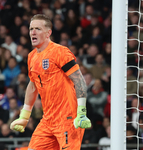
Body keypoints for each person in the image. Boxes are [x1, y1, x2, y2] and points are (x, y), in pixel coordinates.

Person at [10, 14, 91, 150]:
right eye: (31, 29)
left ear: (48, 33)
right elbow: (33, 85)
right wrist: (24, 116)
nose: (33, 32)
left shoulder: (60, 52)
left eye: (38, 29)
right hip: (47, 120)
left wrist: (81, 112)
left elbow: (79, 80)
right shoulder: (31, 57)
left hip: (68, 119)